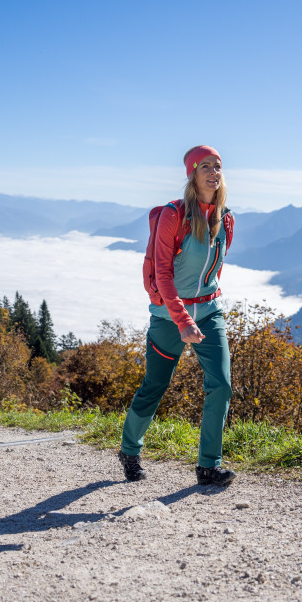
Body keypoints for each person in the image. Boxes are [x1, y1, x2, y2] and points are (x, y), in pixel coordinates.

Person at [118, 145, 236, 487]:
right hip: (169, 316)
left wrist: (203, 308)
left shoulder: (224, 217)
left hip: (210, 312)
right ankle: (129, 449)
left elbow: (213, 269)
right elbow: (164, 275)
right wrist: (183, 319)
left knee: (222, 385)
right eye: (206, 167)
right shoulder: (174, 215)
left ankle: (208, 466)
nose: (214, 173)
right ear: (192, 174)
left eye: (218, 167)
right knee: (155, 385)